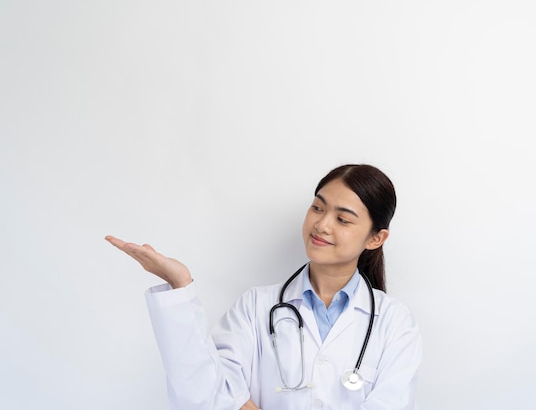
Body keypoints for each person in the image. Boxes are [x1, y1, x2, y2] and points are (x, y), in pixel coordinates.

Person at [105, 163, 422, 410]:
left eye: (343, 219)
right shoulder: (256, 307)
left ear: (375, 238)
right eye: (318, 207)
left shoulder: (394, 323)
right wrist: (179, 284)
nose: (322, 224)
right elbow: (203, 399)